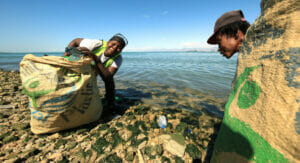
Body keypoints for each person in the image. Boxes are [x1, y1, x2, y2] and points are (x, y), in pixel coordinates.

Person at [64, 33, 128, 112]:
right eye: (113, 44)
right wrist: (66, 54)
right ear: (108, 42)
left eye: (119, 48)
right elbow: (76, 41)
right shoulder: (97, 44)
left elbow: (108, 77)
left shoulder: (118, 58)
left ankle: (110, 102)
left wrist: (96, 59)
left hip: (91, 70)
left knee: (110, 81)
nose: (115, 48)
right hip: (77, 63)